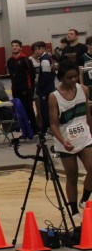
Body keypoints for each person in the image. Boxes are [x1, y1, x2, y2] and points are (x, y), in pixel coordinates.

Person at [47, 60, 92, 225]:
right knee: (72, 176)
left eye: (75, 77)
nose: (73, 80)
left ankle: (85, 199)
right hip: (66, 141)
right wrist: (62, 141)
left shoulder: (84, 90)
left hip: (84, 137)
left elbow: (87, 114)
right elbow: (53, 124)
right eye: (69, 77)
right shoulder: (54, 97)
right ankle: (73, 211)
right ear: (61, 78)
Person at [6, 40, 37, 133]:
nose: (14, 47)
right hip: (15, 89)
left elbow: (32, 75)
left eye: (16, 46)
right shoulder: (10, 61)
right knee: (19, 110)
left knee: (28, 109)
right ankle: (24, 130)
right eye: (13, 46)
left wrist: (30, 88)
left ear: (20, 48)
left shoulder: (26, 60)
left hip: (26, 89)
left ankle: (34, 129)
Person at [32, 41, 56, 134]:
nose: (37, 51)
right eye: (35, 49)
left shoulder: (45, 60)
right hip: (47, 89)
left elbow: (46, 77)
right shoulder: (46, 58)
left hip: (46, 90)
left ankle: (45, 128)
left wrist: (40, 89)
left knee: (45, 110)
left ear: (44, 49)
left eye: (39, 49)